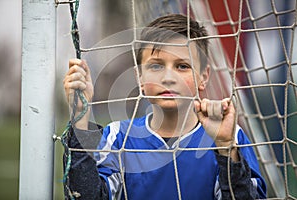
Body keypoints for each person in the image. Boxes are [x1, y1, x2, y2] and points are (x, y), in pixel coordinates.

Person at [63, 14, 266, 199]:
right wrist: (81, 117)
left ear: (203, 77)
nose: (168, 78)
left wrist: (225, 147)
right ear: (139, 77)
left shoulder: (230, 137)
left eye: (182, 66)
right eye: (156, 66)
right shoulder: (116, 138)